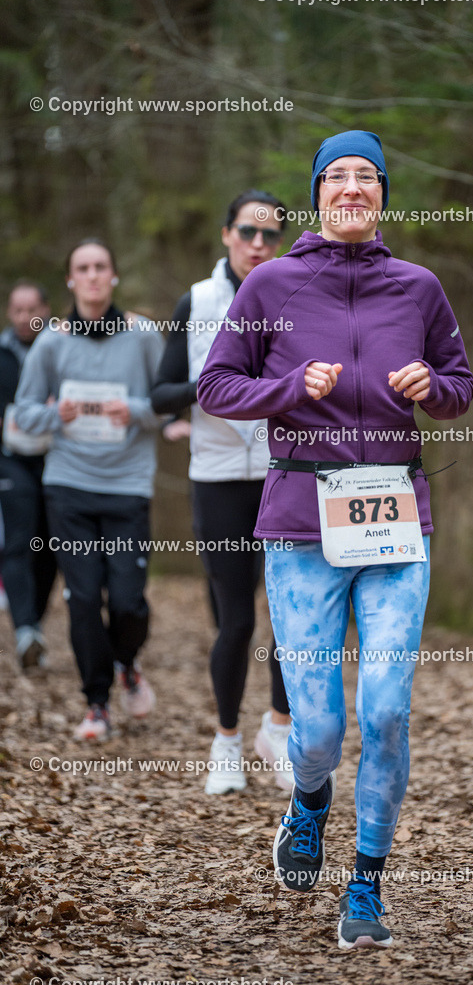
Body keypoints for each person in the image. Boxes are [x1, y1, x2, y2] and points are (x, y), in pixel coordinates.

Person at [198, 131, 473, 949]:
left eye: (366, 177)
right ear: (317, 193)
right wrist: (289, 386)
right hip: (298, 519)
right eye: (336, 177)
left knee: (386, 711)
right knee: (315, 731)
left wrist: (435, 387)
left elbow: (459, 387)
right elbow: (217, 385)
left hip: (395, 516)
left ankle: (366, 886)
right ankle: (310, 801)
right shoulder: (272, 283)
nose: (351, 188)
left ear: (383, 194)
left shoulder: (418, 288)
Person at [151, 190, 294, 796]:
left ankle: (279, 732)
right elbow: (158, 395)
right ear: (225, 234)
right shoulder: (198, 301)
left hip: (286, 473)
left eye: (270, 235)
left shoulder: (295, 295)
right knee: (234, 621)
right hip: (216, 480)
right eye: (247, 232)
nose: (258, 245)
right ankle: (227, 742)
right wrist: (207, 387)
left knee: (290, 618)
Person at [14, 239, 164, 741]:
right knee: (82, 599)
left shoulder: (143, 335)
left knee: (127, 602)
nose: (94, 275)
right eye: (83, 268)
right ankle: (96, 703)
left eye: (102, 266)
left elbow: (166, 403)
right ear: (71, 281)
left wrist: (138, 411)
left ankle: (127, 663)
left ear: (114, 277)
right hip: (69, 485)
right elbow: (24, 412)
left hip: (127, 486)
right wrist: (57, 414)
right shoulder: (52, 342)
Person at [0, 280, 57, 667]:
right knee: (19, 541)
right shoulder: (1, 354)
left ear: (46, 308)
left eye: (31, 309)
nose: (25, 318)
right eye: (17, 310)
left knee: (51, 546)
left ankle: (34, 624)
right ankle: (24, 629)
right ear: (9, 312)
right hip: (10, 460)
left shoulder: (62, 347)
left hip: (57, 459)